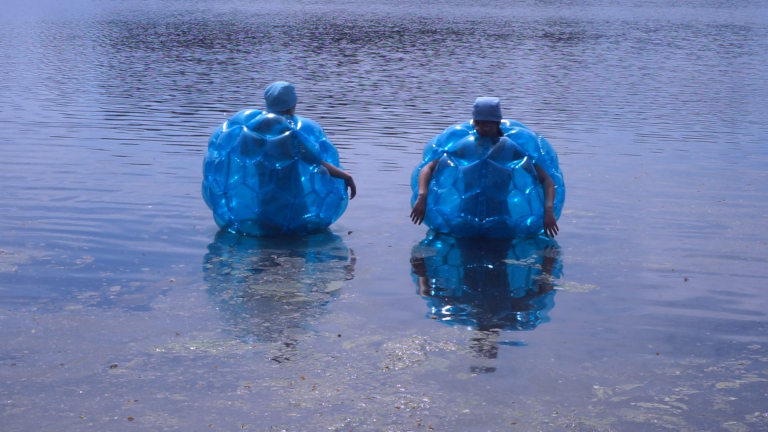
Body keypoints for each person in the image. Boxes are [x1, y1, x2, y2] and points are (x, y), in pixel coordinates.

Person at [410, 97, 558, 237]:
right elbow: (427, 169)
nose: (481, 128)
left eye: (486, 124)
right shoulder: (464, 147)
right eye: (477, 123)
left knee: (500, 259)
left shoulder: (510, 150)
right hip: (466, 213)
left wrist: (548, 210)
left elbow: (546, 180)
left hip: (500, 215)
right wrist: (422, 197)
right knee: (466, 259)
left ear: (497, 122)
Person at [263, 81, 356, 199]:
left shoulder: (253, 130)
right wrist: (346, 176)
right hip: (290, 198)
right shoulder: (288, 134)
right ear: (293, 105)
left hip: (263, 197)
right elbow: (315, 162)